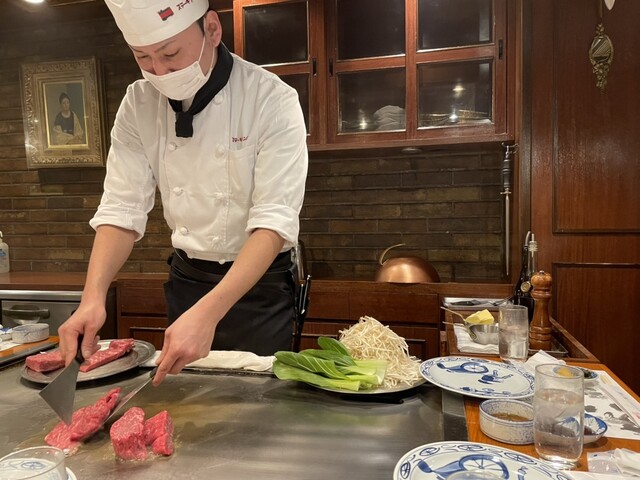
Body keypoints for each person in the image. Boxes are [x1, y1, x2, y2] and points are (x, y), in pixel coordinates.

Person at [57, 0, 308, 386]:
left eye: (171, 53)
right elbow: (121, 208)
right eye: (143, 57)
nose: (159, 71)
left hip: (258, 289)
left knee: (254, 403)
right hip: (187, 281)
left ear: (212, 30)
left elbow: (273, 222)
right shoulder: (138, 103)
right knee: (187, 401)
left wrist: (210, 313)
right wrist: (92, 298)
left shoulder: (271, 98)